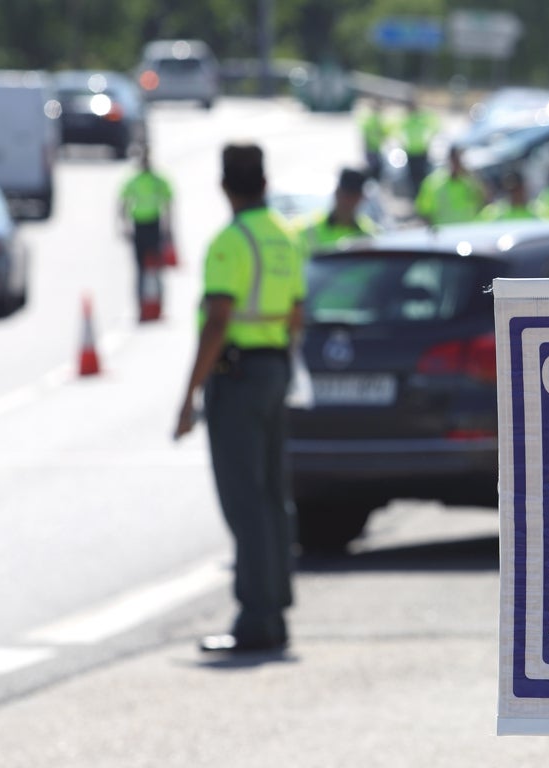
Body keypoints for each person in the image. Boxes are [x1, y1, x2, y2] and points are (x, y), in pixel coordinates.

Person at [174, 143, 306, 653]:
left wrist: (189, 395)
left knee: (243, 499)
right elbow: (297, 314)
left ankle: (255, 617)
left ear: (224, 186)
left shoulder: (229, 243)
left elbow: (217, 322)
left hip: (238, 376)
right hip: (274, 368)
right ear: (265, 183)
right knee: (272, 495)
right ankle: (275, 611)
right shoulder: (285, 237)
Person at [118, 149, 174, 303]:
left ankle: (157, 302)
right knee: (143, 268)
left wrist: (168, 227)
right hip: (141, 226)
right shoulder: (140, 181)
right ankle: (142, 302)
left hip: (153, 225)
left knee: (153, 267)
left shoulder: (155, 181)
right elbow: (123, 205)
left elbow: (168, 203)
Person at [298, 168, 377, 254]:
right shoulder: (308, 228)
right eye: (345, 194)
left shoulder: (371, 232)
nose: (348, 201)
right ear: (336, 192)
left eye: (353, 196)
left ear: (361, 198)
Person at [414, 145, 485, 227]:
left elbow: (484, 202)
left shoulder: (470, 182)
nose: (458, 164)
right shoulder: (433, 182)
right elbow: (423, 210)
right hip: (445, 231)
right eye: (455, 160)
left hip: (468, 230)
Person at [398, 98, 440, 197]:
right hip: (412, 152)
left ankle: (421, 196)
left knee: (421, 178)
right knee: (415, 178)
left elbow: (435, 127)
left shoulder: (421, 119)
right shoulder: (408, 120)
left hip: (421, 152)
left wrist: (428, 141)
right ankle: (417, 197)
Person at [358, 99, 389, 181]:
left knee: (378, 169)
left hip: (376, 149)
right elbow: (366, 135)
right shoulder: (372, 121)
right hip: (372, 149)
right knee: (374, 170)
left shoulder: (377, 120)